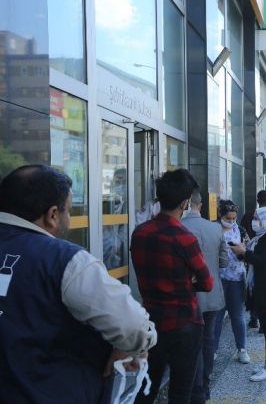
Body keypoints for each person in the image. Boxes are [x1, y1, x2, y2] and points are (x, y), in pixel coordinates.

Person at [0, 165, 157, 404]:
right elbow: (134, 327)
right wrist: (134, 346)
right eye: (69, 210)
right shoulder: (65, 260)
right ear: (53, 215)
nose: (69, 219)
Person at [131, 168, 214, 404]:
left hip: (151, 320)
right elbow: (207, 282)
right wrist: (188, 279)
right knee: (181, 392)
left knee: (146, 387)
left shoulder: (140, 233)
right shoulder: (184, 237)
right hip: (184, 322)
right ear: (185, 203)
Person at [181, 191, 228, 403]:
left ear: (185, 203)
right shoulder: (215, 228)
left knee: (189, 345)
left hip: (187, 297)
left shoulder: (179, 227)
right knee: (208, 341)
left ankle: (194, 388)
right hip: (212, 294)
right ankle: (205, 386)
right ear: (201, 205)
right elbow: (224, 262)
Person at [232, 207, 266, 382]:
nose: (254, 221)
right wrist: (243, 253)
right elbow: (256, 259)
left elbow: (264, 262)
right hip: (265, 288)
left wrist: (244, 253)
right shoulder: (262, 237)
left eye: (257, 218)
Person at [212, 200, 251, 364]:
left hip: (236, 278)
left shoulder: (240, 230)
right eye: (228, 218)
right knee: (217, 316)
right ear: (220, 215)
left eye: (234, 218)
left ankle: (242, 349)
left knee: (237, 315)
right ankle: (213, 349)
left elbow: (248, 251)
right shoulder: (213, 229)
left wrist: (242, 250)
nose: (231, 221)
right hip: (218, 279)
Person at [241, 190, 266, 329]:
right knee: (262, 286)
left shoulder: (248, 215)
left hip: (250, 254)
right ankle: (261, 319)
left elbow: (242, 233)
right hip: (264, 256)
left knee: (252, 285)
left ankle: (254, 317)